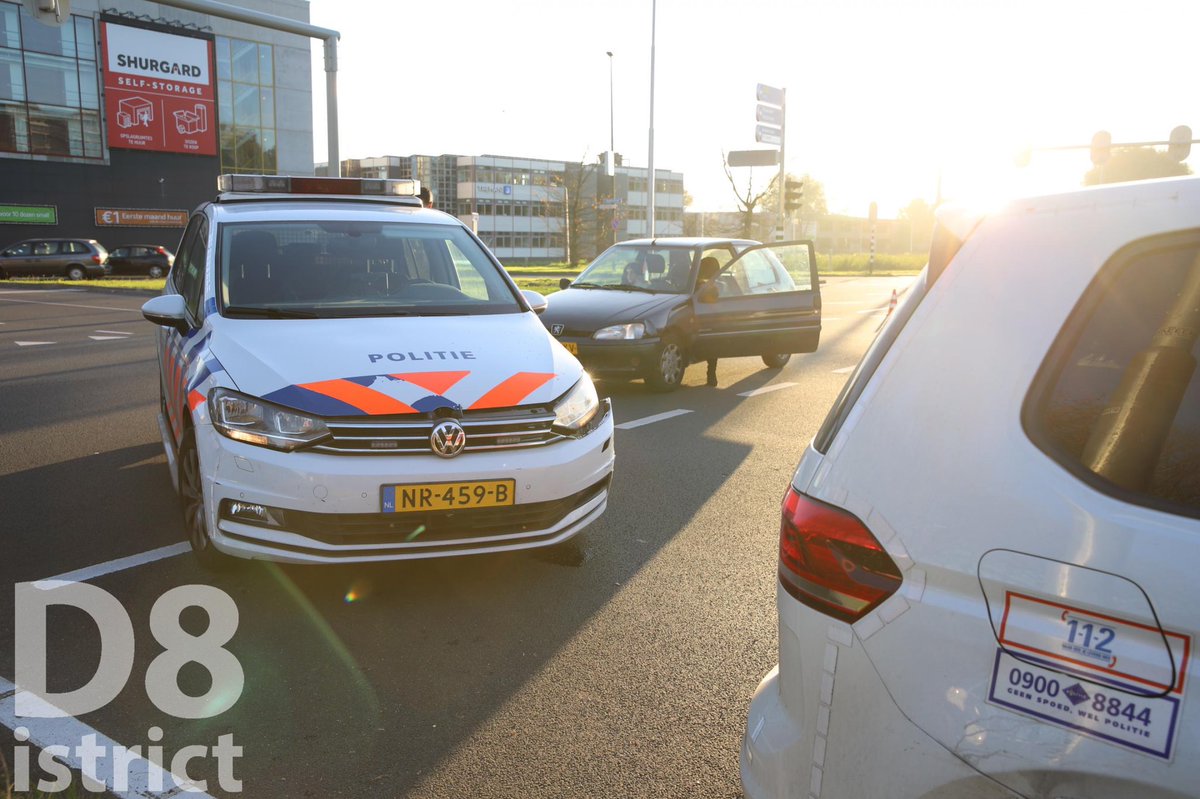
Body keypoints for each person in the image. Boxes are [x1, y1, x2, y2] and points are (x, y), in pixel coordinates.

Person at [698, 256, 722, 386]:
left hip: (703, 322)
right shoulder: (715, 287)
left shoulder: (715, 287)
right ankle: (711, 372)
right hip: (707, 322)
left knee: (714, 342)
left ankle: (711, 373)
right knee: (714, 344)